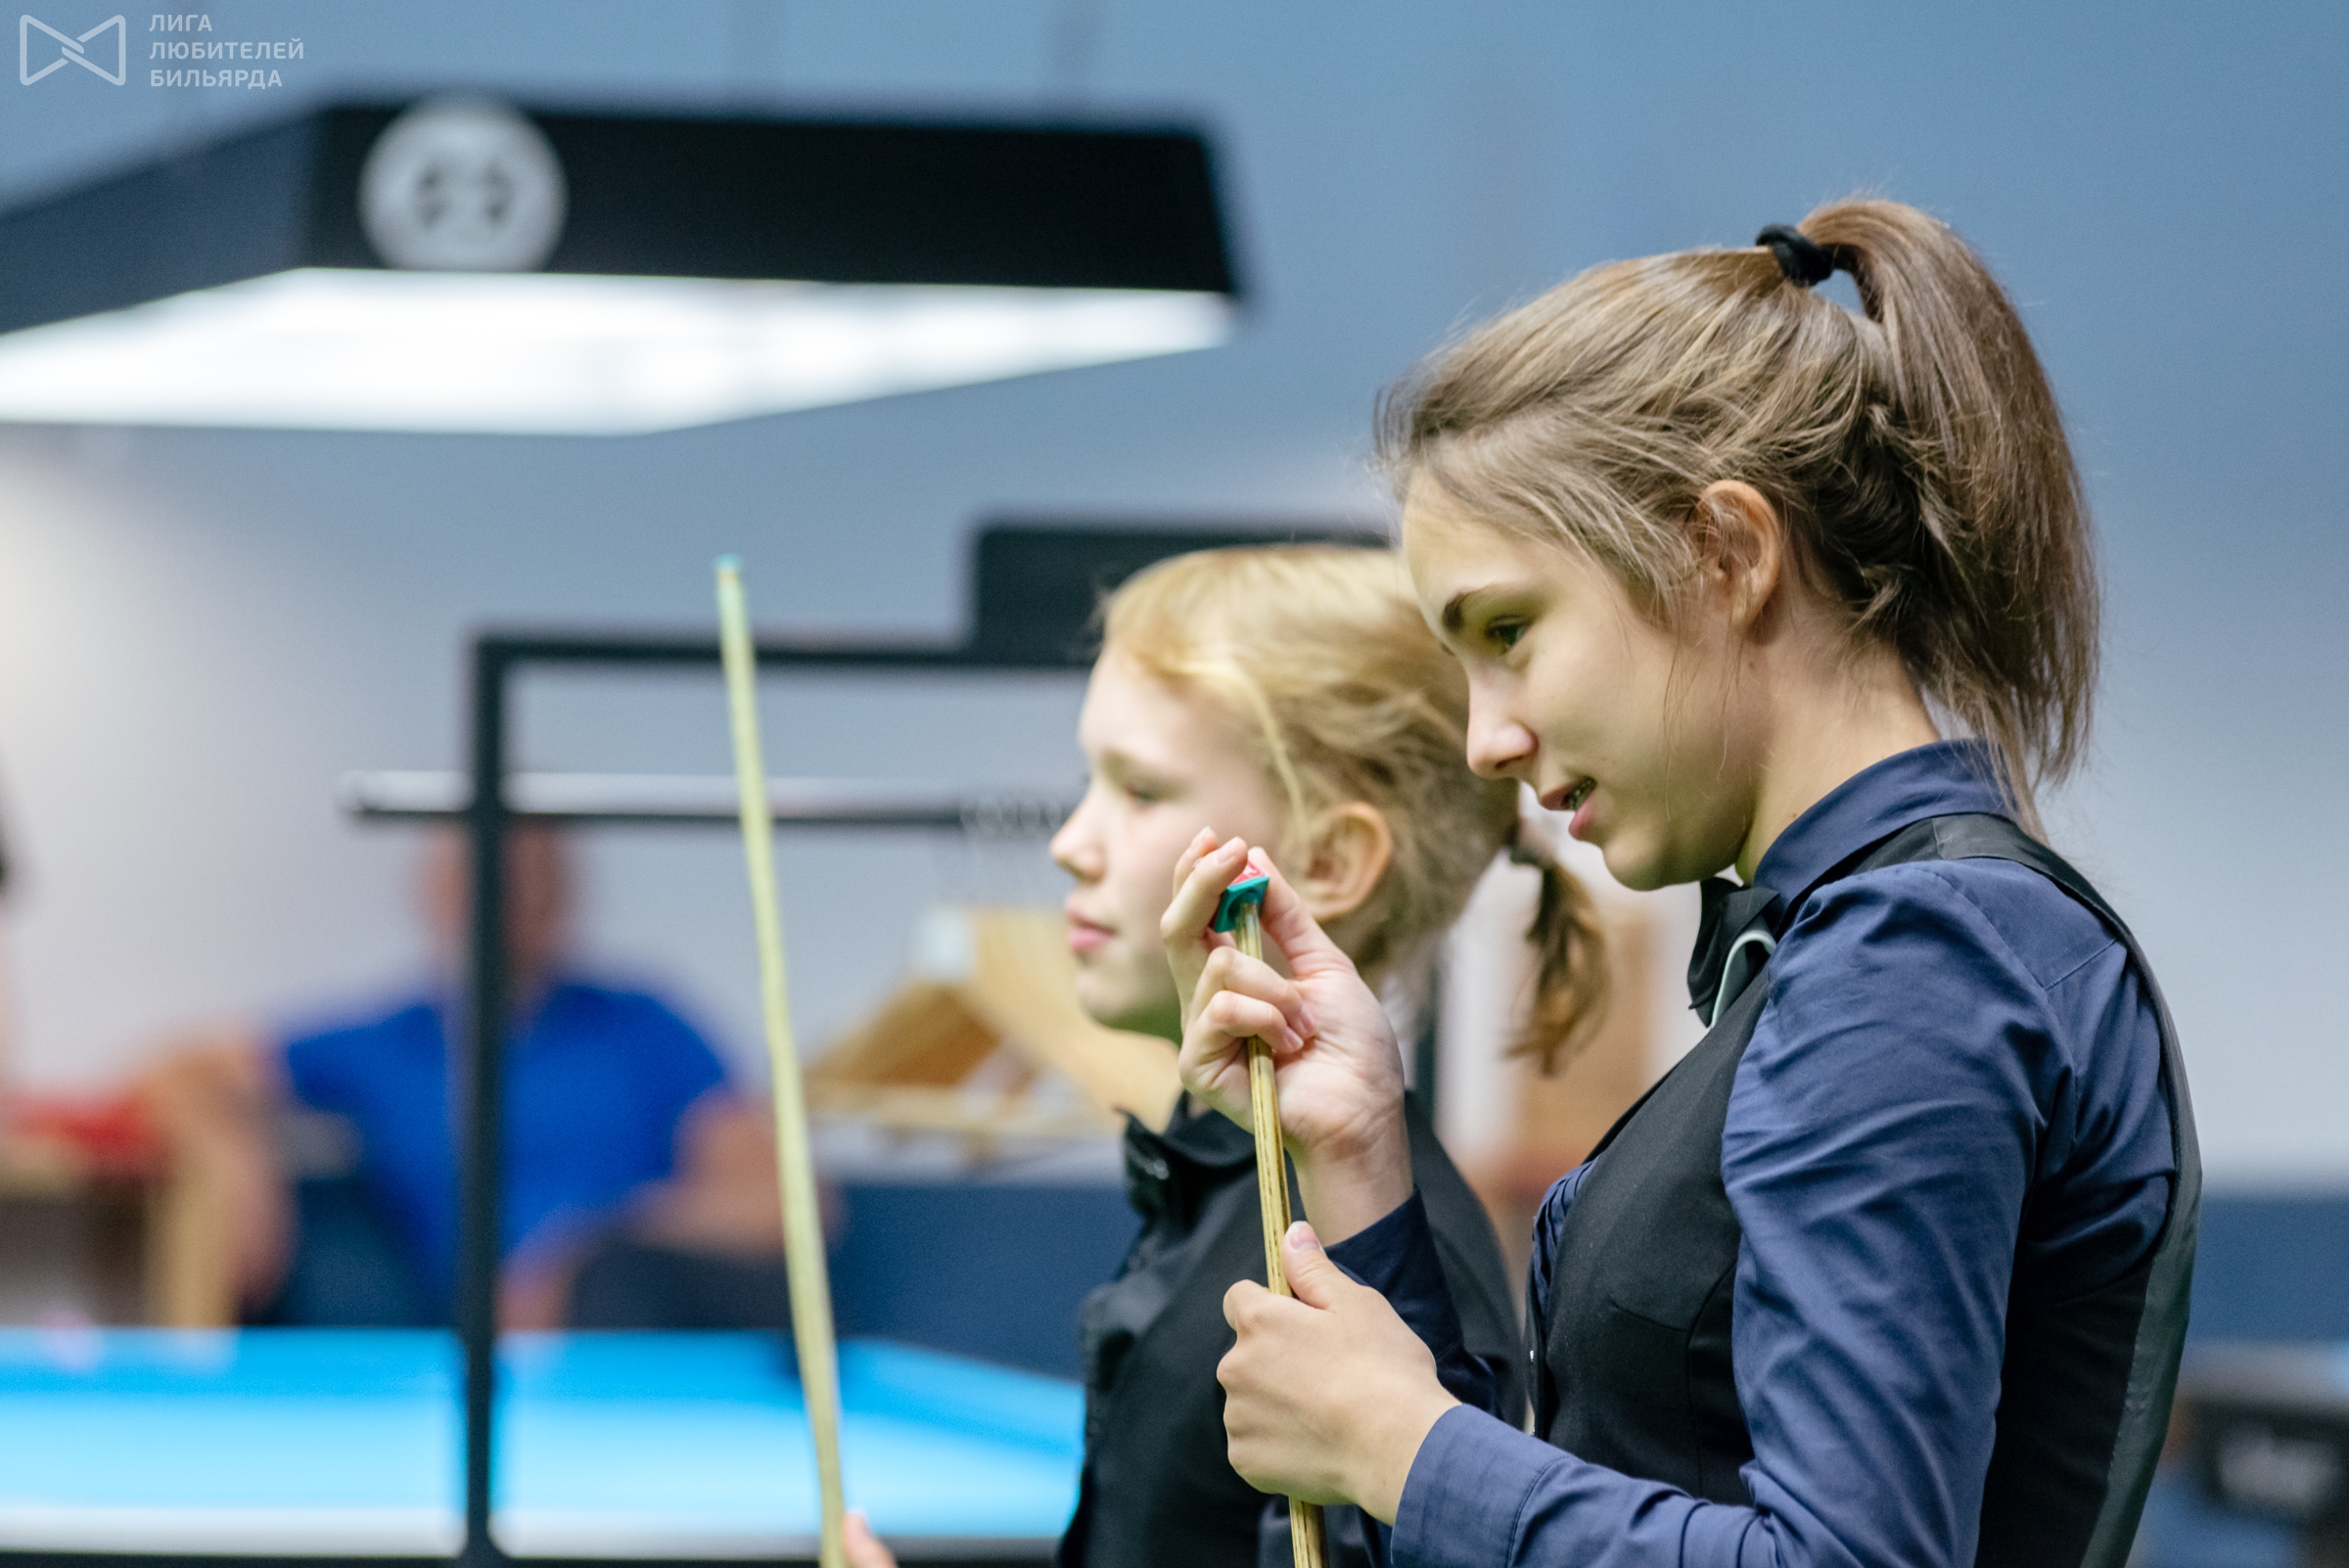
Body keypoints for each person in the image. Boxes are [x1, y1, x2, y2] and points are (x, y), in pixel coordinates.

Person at [1176, 200, 2196, 1567]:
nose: (1486, 738)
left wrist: (1402, 1449)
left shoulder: (1918, 956)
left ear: (1728, 553)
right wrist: (1356, 1150)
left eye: (1508, 630)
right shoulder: (1859, 946)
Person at [846, 543, 1610, 1568]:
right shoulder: (1223, 1175)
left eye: (1141, 790)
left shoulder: (1386, 1262)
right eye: (1090, 781)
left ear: (1329, 860)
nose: (1072, 842)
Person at [141, 823, 784, 1328]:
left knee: (620, 1287)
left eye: (535, 876)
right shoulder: (387, 1044)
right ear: (436, 890)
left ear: (564, 892)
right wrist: (230, 1156)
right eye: (488, 875)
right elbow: (181, 1069)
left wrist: (583, 1256)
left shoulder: (647, 1028)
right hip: (471, 1354)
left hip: (639, 1337)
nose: (515, 898)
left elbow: (773, 1200)